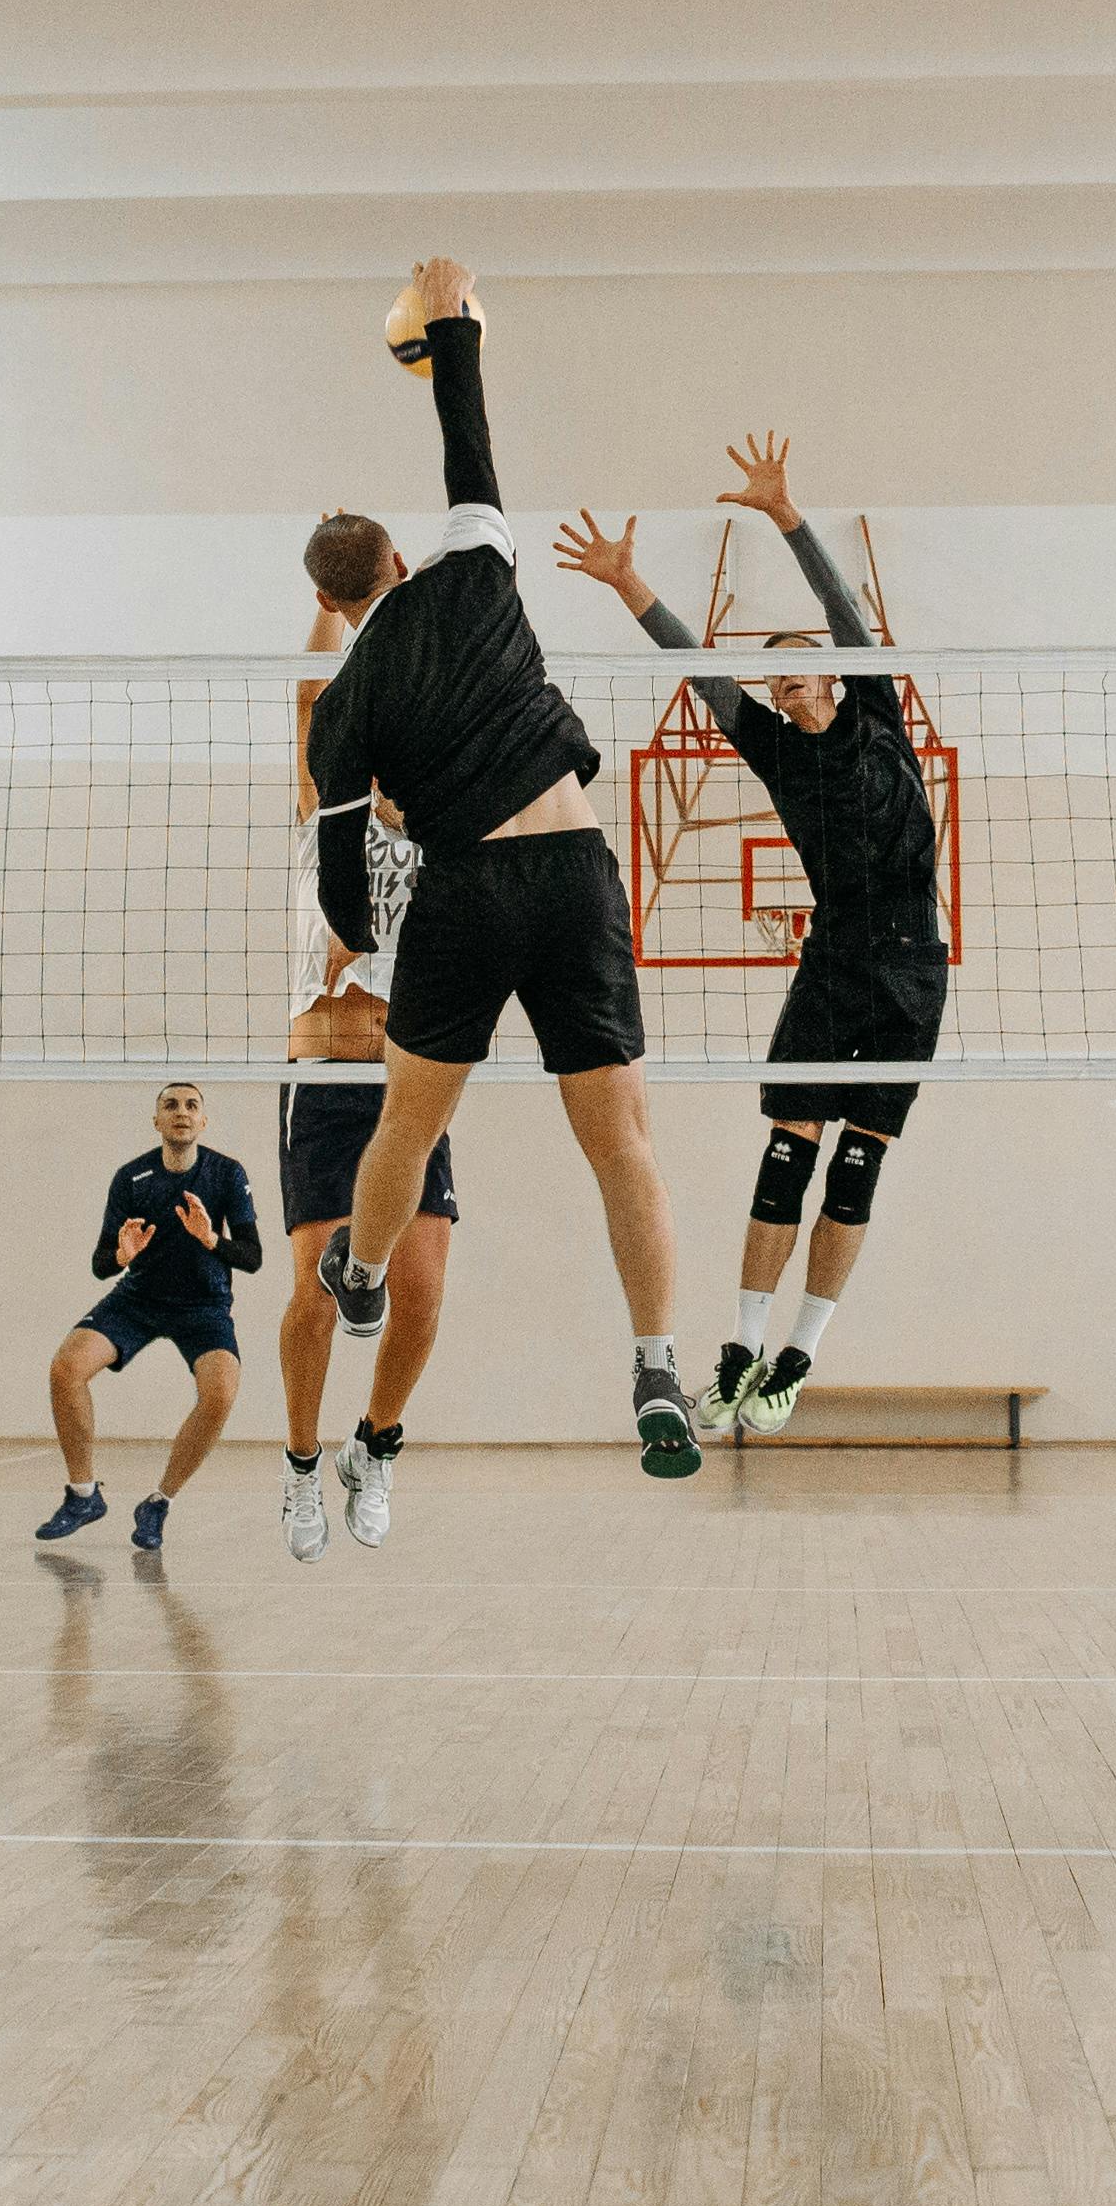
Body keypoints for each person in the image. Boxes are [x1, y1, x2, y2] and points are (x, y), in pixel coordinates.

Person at [299, 256, 697, 1477]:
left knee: (405, 1131)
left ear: (333, 599)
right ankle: (655, 1371)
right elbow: (465, 444)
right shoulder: (474, 571)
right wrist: (452, 320)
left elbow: (336, 883)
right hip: (571, 867)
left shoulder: (340, 705)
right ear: (399, 565)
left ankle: (360, 1273)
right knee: (618, 1139)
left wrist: (370, 914)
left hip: (462, 894)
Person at [555, 430, 944, 1434]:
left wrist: (783, 516)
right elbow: (695, 664)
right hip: (832, 961)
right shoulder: (773, 751)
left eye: (804, 673)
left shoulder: (882, 715)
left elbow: (842, 611)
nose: (793, 684)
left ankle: (795, 1360)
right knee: (786, 1157)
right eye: (777, 682)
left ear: (834, 680)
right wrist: (628, 583)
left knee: (855, 1167)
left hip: (911, 970)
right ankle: (737, 1347)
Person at [277, 579, 456, 1561]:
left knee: (419, 1292)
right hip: (323, 1077)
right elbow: (310, 697)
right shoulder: (323, 818)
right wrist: (341, 600)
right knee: (315, 1294)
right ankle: (301, 1467)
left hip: (409, 1082)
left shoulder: (439, 834)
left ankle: (373, 1444)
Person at [40, 1082, 263, 1551]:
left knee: (221, 1392)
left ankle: (158, 1502)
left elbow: (252, 1256)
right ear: (156, 1121)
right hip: (137, 1300)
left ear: (203, 1121)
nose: (181, 1112)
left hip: (204, 1306)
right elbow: (101, 1263)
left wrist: (210, 1240)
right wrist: (121, 1256)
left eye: (191, 1106)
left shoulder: (226, 1174)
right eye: (170, 1105)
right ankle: (82, 1495)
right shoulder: (130, 1178)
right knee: (66, 1369)